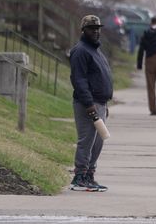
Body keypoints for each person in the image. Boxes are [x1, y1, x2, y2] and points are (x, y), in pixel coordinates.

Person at [68, 15, 114, 192]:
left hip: (100, 103)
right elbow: (79, 80)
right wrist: (89, 105)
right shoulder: (80, 51)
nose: (96, 31)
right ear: (83, 30)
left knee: (97, 143)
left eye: (98, 28)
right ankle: (79, 177)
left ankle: (89, 176)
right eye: (91, 28)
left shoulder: (95, 50)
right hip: (88, 103)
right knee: (86, 141)